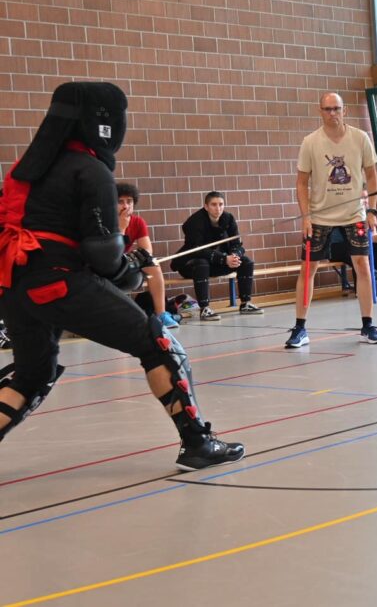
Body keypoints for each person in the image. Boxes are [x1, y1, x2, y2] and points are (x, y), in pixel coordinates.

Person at [0, 82, 244, 470]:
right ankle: (198, 442)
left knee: (31, 374)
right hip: (59, 281)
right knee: (158, 342)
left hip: (14, 284)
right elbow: (102, 252)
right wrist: (130, 271)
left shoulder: (27, 169)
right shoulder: (90, 170)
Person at [285, 92, 377, 348]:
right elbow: (301, 182)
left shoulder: (360, 138)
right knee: (308, 269)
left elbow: (372, 177)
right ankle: (300, 328)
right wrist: (306, 216)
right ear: (320, 111)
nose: (332, 113)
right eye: (327, 109)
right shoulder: (310, 142)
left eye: (336, 109)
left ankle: (367, 325)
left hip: (354, 215)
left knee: (362, 265)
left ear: (345, 110)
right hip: (319, 217)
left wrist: (372, 210)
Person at [170, 191, 263, 321]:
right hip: (191, 264)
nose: (218, 208)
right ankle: (205, 309)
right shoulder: (194, 222)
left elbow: (238, 244)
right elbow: (198, 250)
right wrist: (224, 259)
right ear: (206, 206)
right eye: (213, 205)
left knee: (246, 262)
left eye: (221, 204)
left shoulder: (229, 219)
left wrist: (234, 256)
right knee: (202, 263)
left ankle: (245, 303)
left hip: (216, 262)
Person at [116, 183, 178, 329]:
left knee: (153, 265)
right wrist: (122, 228)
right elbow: (112, 250)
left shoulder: (138, 221)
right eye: (121, 202)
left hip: (125, 261)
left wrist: (140, 257)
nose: (126, 205)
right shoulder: (106, 220)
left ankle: (161, 314)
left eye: (129, 201)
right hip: (107, 261)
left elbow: (146, 249)